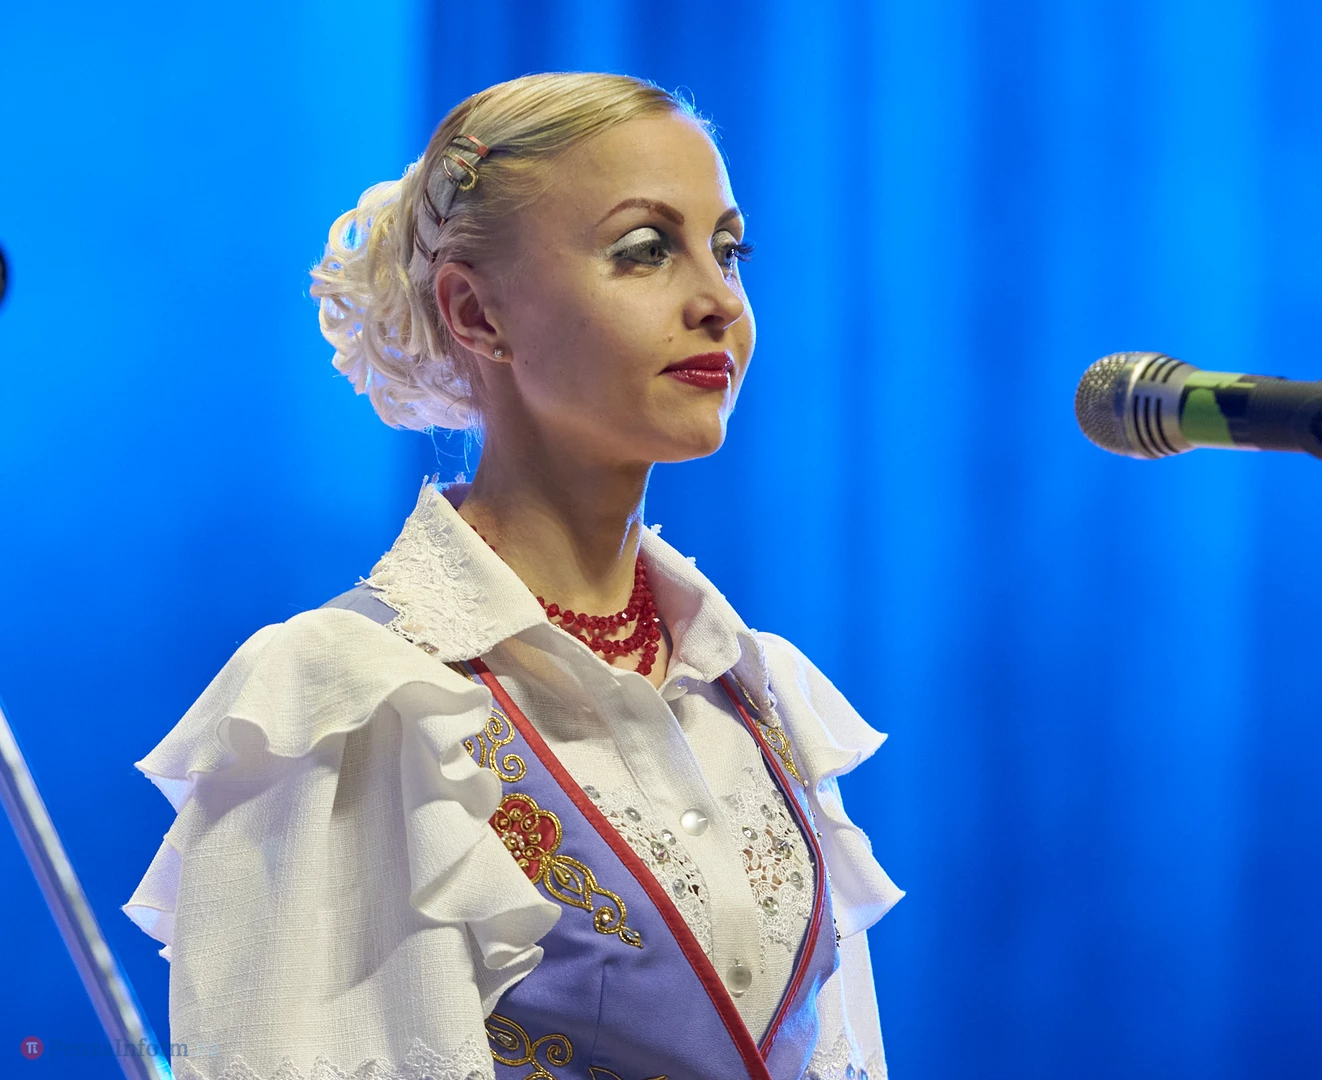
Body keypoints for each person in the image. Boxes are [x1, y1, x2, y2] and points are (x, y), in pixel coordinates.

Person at [122, 72, 901, 1080]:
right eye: (644, 249)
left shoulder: (761, 692)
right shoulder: (353, 704)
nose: (718, 301)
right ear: (477, 312)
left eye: (728, 250)